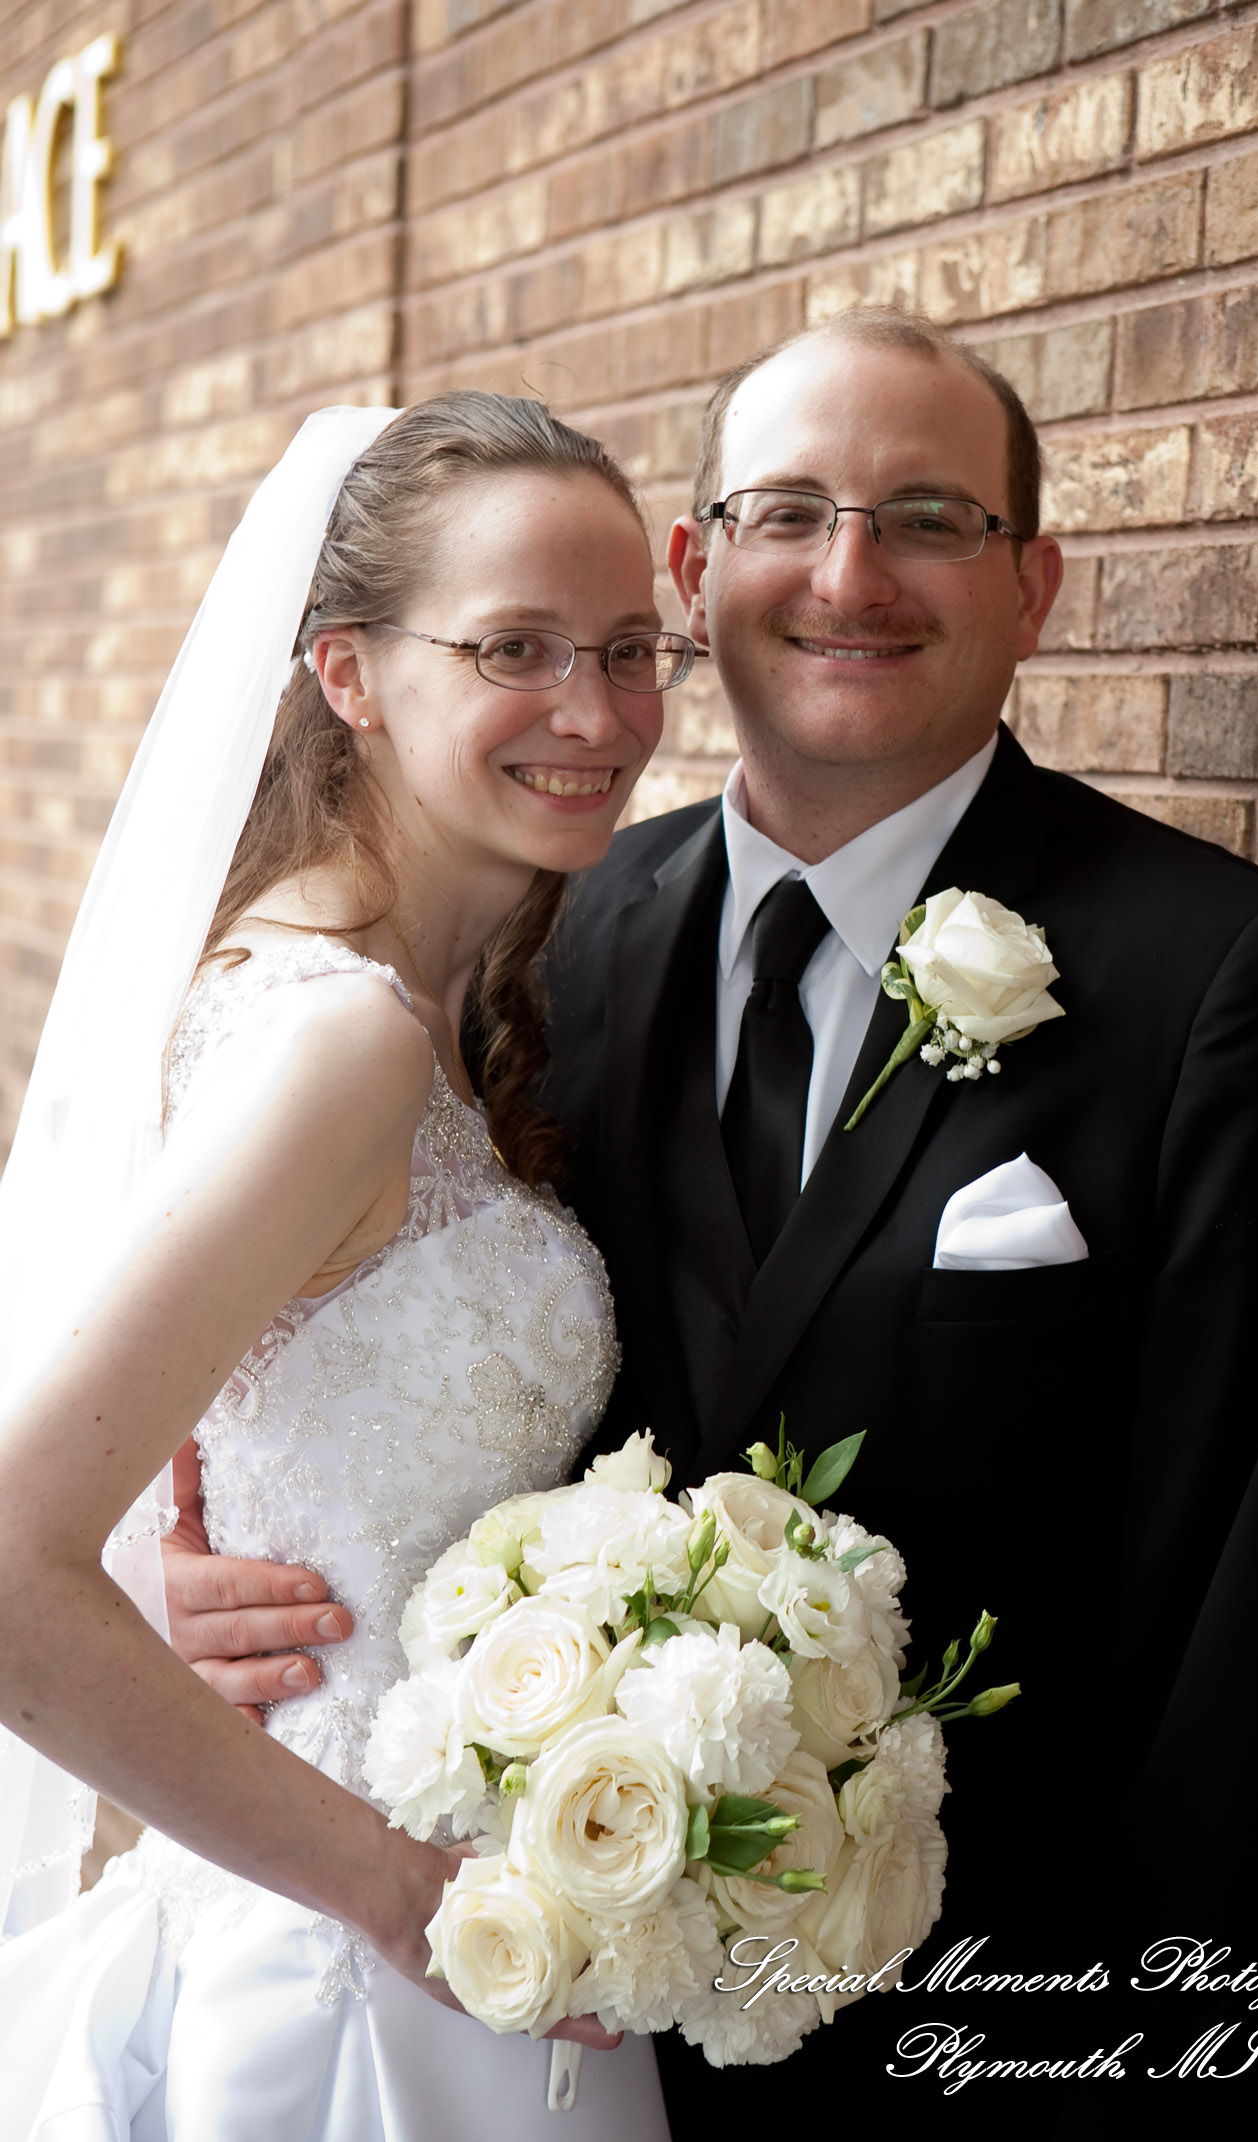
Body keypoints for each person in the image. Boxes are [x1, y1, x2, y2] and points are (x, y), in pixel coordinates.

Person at [162, 310, 1258, 2135]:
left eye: (928, 517)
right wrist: (213, 1575)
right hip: (557, 2009)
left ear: (1033, 583)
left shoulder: (1218, 973)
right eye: (786, 513)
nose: (850, 575)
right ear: (698, 566)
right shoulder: (551, 938)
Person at [0, 391, 695, 2139]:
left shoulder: (442, 999)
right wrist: (397, 1891)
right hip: (351, 1980)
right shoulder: (345, 1043)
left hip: (465, 1932)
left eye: (630, 648)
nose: (598, 712)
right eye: (515, 647)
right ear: (350, 672)